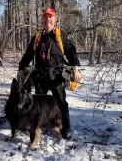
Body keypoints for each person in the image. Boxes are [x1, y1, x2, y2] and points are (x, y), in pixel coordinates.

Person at [17, 8, 81, 139]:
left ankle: (65, 129)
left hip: (56, 76)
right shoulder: (37, 38)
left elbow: (71, 51)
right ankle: (42, 127)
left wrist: (75, 67)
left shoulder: (61, 36)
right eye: (45, 17)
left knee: (61, 103)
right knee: (40, 105)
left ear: (55, 19)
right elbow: (28, 54)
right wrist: (21, 68)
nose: (48, 20)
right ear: (42, 20)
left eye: (50, 17)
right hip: (40, 76)